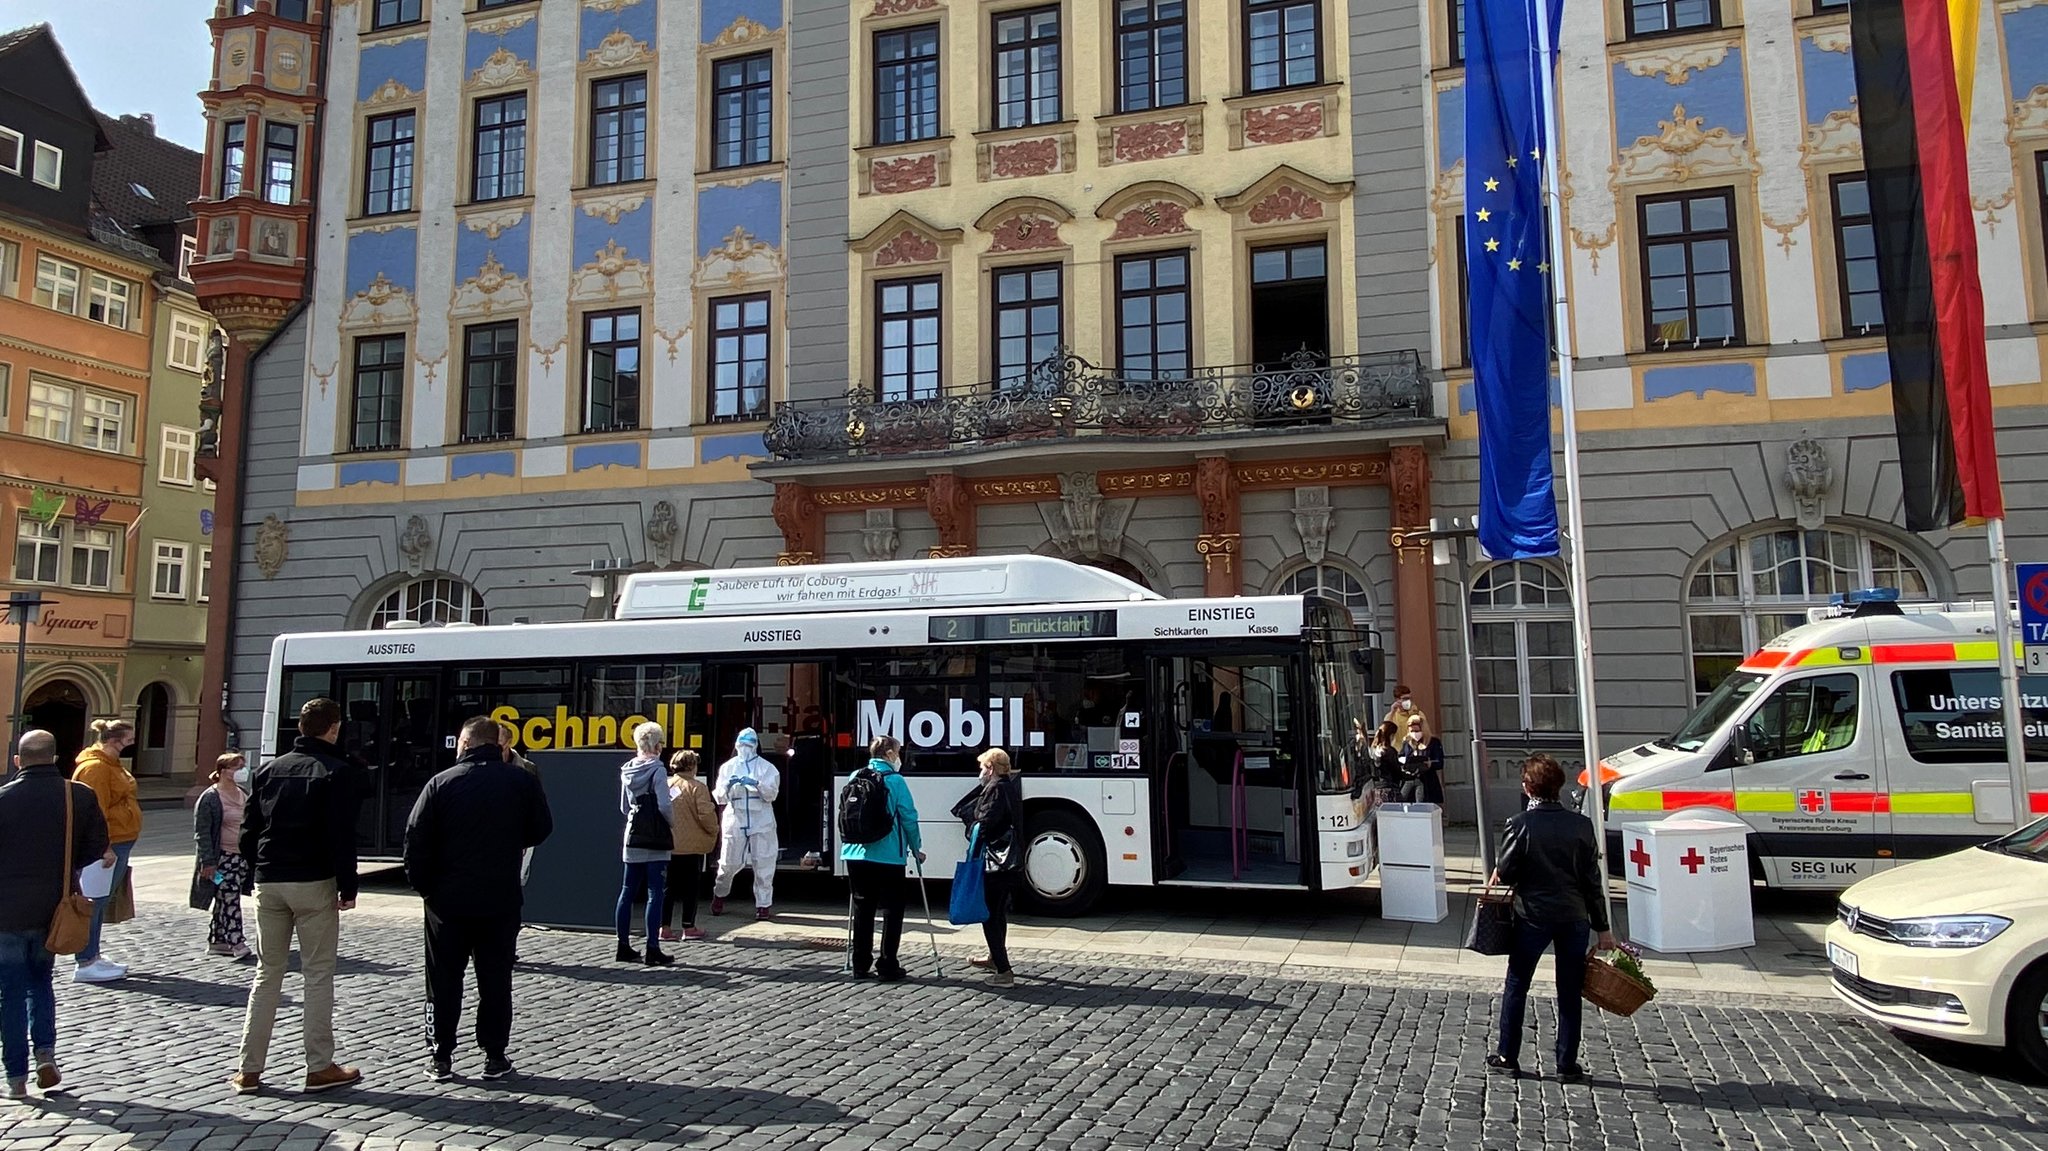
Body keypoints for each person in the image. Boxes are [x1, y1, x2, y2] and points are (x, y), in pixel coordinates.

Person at [404, 716, 554, 1083]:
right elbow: (542, 828)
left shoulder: (441, 783)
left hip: (447, 900)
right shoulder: (521, 780)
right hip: (499, 896)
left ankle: (440, 1054)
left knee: (442, 979)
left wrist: (425, 888)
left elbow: (415, 839)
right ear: (497, 744)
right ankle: (494, 1054)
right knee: (496, 979)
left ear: (466, 743)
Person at [232, 697, 366, 1096]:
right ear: (334, 728)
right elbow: (341, 836)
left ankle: (248, 1069)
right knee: (318, 974)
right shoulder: (336, 772)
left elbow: (247, 830)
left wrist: (256, 869)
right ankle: (319, 1066)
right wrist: (349, 884)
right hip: (312, 880)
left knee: (266, 974)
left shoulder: (270, 769)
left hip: (269, 878)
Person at [1487, 753, 1617, 1084]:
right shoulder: (1581, 825)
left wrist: (1503, 871)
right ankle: (1566, 1064)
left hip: (1532, 916)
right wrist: (1603, 928)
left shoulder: (1519, 824)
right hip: (1574, 916)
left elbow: (1508, 870)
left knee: (1518, 983)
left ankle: (1508, 1055)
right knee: (1570, 990)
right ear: (1558, 787)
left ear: (1529, 788)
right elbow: (1592, 881)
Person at [0, 730, 111, 1100]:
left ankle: (16, 1077)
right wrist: (66, 871)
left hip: (6, 913)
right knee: (40, 983)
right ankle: (45, 1053)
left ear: (18, 760)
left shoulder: (3, 799)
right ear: (55, 757)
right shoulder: (77, 795)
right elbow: (97, 844)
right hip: (55, 907)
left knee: (10, 993)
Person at [840, 736, 924, 981]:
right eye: (898, 752)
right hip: (888, 855)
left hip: (855, 852)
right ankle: (887, 964)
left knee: (862, 909)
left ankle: (860, 965)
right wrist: (916, 847)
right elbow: (908, 816)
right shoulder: (895, 781)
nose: (900, 757)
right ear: (889, 754)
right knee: (892, 909)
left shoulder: (855, 775)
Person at [70, 718, 140, 984]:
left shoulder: (112, 765)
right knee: (93, 902)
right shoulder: (96, 768)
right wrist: (104, 847)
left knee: (100, 901)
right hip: (107, 846)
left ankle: (94, 954)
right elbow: (93, 811)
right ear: (114, 740)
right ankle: (86, 960)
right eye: (129, 739)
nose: (131, 743)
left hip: (121, 840)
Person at [954, 748, 1024, 988]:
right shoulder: (1009, 786)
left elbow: (984, 825)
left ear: (991, 768)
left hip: (995, 864)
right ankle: (995, 958)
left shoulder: (994, 789)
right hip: (1007, 865)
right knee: (998, 913)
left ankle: (1004, 971)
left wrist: (970, 827)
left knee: (990, 916)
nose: (980, 772)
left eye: (983, 767)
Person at [615, 722, 675, 966]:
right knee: (655, 892)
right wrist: (670, 823)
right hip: (655, 837)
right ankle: (652, 948)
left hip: (633, 834)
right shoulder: (658, 770)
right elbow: (664, 804)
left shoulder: (627, 770)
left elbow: (623, 807)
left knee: (627, 890)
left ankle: (623, 945)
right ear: (657, 744)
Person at [710, 728, 782, 920]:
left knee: (764, 863)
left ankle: (763, 904)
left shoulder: (767, 768)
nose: (745, 749)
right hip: (736, 816)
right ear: (736, 745)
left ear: (756, 746)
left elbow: (772, 794)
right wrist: (727, 786)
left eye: (749, 745)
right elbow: (719, 797)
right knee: (728, 862)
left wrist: (757, 784)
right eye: (742, 745)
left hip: (761, 818)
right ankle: (720, 893)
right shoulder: (728, 767)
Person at [194, 752, 254, 961]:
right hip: (221, 861)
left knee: (225, 896)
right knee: (229, 896)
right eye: (237, 767)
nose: (241, 771)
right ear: (223, 771)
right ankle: (236, 941)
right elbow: (202, 832)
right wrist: (207, 862)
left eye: (242, 766)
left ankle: (217, 940)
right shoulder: (210, 797)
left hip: (241, 859)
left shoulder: (243, 793)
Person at [662, 750, 718, 942]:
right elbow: (706, 815)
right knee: (690, 888)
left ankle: (664, 928)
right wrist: (714, 831)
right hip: (692, 846)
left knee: (667, 888)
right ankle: (688, 926)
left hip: (668, 844)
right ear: (692, 766)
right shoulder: (697, 787)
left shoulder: (665, 785)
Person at [1396, 715, 1445, 806]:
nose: (1414, 733)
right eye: (1412, 731)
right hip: (1410, 781)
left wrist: (1430, 764)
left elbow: (1440, 762)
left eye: (1417, 731)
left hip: (1428, 782)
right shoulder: (1407, 742)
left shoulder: (1434, 742)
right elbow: (1401, 756)